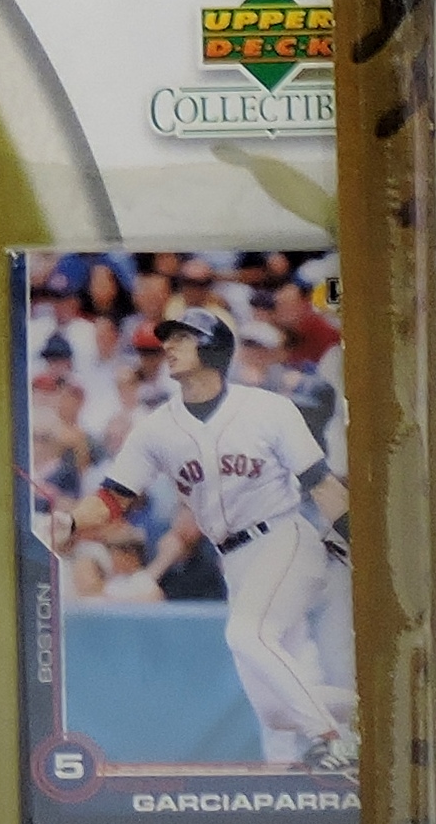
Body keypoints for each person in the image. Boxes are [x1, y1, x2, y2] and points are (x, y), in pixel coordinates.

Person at [65, 308, 356, 773]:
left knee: (247, 635)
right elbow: (111, 499)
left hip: (282, 536)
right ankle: (371, 708)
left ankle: (331, 741)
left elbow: (321, 484)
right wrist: (68, 523)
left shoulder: (268, 410)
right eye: (170, 338)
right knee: (277, 710)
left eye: (183, 338)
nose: (169, 346)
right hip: (233, 559)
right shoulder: (158, 427)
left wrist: (360, 547)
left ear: (214, 349)